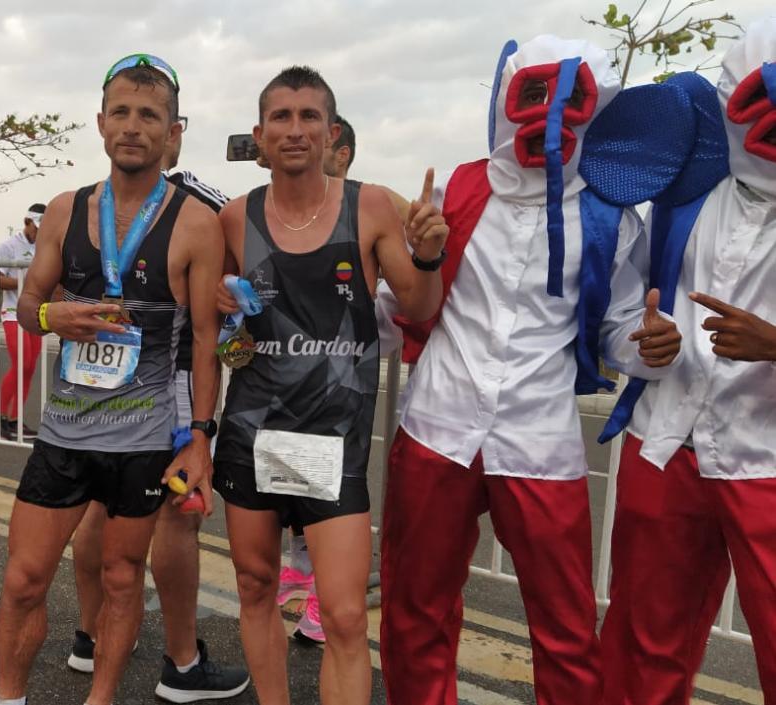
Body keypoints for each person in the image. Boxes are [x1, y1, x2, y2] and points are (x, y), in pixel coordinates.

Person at [376, 36, 682, 705]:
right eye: (537, 93)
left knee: (566, 628)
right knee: (413, 607)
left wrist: (649, 345)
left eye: (570, 98)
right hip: (439, 426)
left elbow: (620, 325)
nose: (550, 113)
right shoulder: (454, 189)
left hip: (540, 440)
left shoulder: (612, 217)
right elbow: (396, 304)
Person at [0, 53, 224, 705]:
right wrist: (52, 315)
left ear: (173, 132)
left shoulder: (196, 223)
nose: (132, 126)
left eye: (149, 115)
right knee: (24, 579)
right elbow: (26, 306)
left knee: (123, 579)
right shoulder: (66, 210)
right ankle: (7, 697)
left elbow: (205, 342)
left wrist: (200, 437)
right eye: (120, 112)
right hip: (63, 435)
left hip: (142, 439)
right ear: (100, 123)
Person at [214, 65, 448, 705]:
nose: (295, 130)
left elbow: (420, 306)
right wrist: (226, 318)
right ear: (260, 134)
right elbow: (229, 344)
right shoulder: (234, 219)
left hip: (333, 443)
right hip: (252, 436)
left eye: (309, 117)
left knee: (344, 617)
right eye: (281, 117)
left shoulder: (367, 206)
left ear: (331, 131)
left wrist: (428, 256)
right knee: (256, 587)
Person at [599, 18, 776, 704]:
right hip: (666, 443)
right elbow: (622, 310)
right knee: (642, 643)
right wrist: (640, 343)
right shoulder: (684, 198)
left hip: (766, 458)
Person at [66, 112, 249, 702]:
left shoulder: (91, 203)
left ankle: (90, 637)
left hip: (100, 372)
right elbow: (248, 252)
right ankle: (183, 663)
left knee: (102, 501)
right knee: (177, 512)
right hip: (171, 373)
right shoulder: (196, 196)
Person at [276, 112, 413, 645]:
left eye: (319, 140)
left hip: (344, 379)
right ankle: (300, 569)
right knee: (292, 480)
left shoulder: (368, 210)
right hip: (292, 378)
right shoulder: (288, 214)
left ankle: (324, 597)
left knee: (334, 487)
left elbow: (399, 307)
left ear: (342, 153)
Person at [0, 204, 46, 441]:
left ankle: (15, 420)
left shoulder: (44, 247)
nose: (40, 232)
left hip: (34, 314)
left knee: (30, 367)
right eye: (37, 227)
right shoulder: (8, 246)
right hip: (13, 312)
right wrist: (24, 283)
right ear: (27, 222)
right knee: (21, 363)